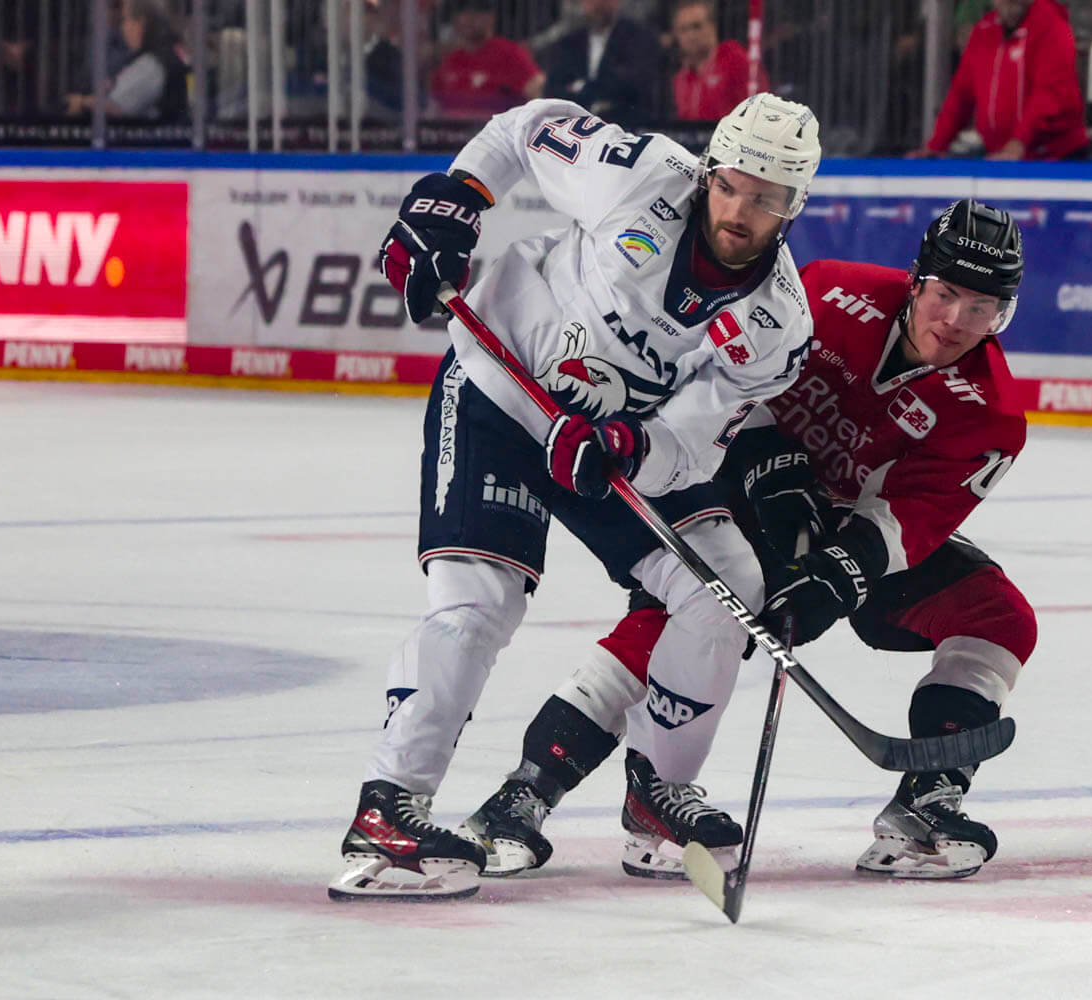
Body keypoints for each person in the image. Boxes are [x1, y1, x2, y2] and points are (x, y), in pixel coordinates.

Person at [327, 92, 822, 900]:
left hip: (599, 446)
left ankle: (657, 796)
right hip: (498, 393)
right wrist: (456, 197)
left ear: (793, 206)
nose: (740, 210)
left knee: (724, 586)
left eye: (766, 198)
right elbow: (525, 128)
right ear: (709, 171)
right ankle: (390, 810)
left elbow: (692, 440)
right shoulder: (641, 177)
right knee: (477, 605)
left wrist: (633, 446)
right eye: (731, 184)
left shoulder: (777, 326)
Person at [461, 200, 1037, 882]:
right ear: (917, 280)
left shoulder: (990, 414)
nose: (957, 323)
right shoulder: (828, 290)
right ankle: (523, 797)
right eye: (947, 295)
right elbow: (722, 368)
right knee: (685, 614)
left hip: (841, 526)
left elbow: (902, 520)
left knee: (997, 617)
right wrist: (761, 447)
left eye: (984, 309)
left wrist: (838, 572)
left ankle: (927, 805)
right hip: (721, 481)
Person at [911, 0, 1088, 160]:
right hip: (1001, 158)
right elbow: (961, 95)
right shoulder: (984, 31)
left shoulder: (1053, 27)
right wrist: (936, 145)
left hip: (1055, 158)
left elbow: (1048, 96)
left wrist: (1019, 142)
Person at [542, 0, 664, 128]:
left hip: (625, 127)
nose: (597, 4)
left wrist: (581, 87)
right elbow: (553, 89)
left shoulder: (640, 37)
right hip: (575, 127)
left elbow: (632, 84)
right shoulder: (568, 43)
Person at [66, 0, 188, 122]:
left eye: (125, 20)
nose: (122, 28)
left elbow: (116, 107)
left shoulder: (151, 64)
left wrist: (80, 102)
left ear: (141, 23)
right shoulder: (153, 58)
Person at [429, 0, 545, 120]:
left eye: (477, 12)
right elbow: (434, 105)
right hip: (452, 134)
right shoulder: (451, 60)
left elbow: (537, 88)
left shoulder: (509, 53)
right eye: (464, 12)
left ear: (491, 17)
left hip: (496, 133)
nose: (470, 19)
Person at [670, 0, 767, 121]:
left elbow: (760, 109)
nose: (691, 35)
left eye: (696, 26)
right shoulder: (681, 79)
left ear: (712, 27)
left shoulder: (735, 60)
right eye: (683, 30)